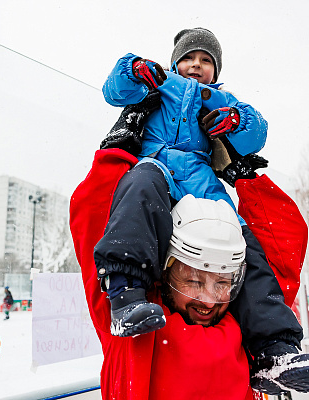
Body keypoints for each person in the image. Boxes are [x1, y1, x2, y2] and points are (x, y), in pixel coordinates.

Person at [69, 148, 309, 397]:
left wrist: (245, 178)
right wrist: (118, 150)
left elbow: (284, 244)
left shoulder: (249, 325)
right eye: (193, 281)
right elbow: (97, 218)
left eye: (223, 282)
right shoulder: (133, 320)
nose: (208, 299)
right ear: (165, 273)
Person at [96, 27, 270, 338]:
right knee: (141, 187)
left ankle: (273, 339)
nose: (196, 65)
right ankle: (126, 295)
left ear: (215, 69)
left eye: (206, 60)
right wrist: (133, 70)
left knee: (236, 230)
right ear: (175, 63)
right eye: (188, 58)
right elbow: (114, 92)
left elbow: (256, 134)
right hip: (156, 162)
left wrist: (236, 120)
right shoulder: (158, 84)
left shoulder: (222, 99)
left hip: (200, 175)